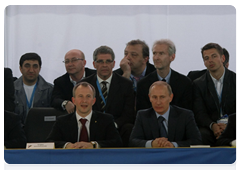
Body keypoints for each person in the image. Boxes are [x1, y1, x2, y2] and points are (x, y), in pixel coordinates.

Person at [79, 45, 135, 147]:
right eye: (100, 61)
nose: (104, 65)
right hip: (92, 125)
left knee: (129, 128)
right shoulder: (84, 84)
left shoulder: (126, 84)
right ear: (94, 64)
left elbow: (129, 114)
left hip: (117, 127)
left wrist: (112, 125)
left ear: (113, 64)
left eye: (108, 61)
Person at [47, 82, 122, 148]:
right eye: (80, 96)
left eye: (88, 96)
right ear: (74, 100)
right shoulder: (62, 121)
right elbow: (49, 142)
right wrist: (67, 145)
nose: (84, 101)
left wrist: (94, 145)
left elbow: (117, 142)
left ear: (93, 101)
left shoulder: (106, 120)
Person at [129, 81, 202, 147]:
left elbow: (196, 141)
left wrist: (174, 145)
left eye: (162, 97)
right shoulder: (142, 115)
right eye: (154, 97)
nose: (158, 102)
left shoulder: (185, 115)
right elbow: (133, 141)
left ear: (170, 97)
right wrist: (151, 144)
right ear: (149, 98)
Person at [193, 43, 238, 146]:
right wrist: (213, 125)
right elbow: (199, 112)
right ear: (204, 62)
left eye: (214, 56)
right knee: (201, 135)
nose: (210, 61)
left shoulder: (237, 81)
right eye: (206, 58)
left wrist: (229, 125)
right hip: (211, 127)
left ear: (222, 58)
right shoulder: (198, 84)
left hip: (233, 125)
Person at [136, 39, 192, 111]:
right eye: (154, 53)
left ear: (172, 57)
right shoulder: (143, 84)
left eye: (161, 53)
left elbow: (187, 113)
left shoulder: (185, 83)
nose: (156, 58)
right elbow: (142, 115)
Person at [51, 49, 96, 113]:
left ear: (84, 62)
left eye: (74, 60)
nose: (70, 64)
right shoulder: (60, 82)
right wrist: (65, 103)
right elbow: (54, 100)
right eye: (67, 61)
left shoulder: (95, 76)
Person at [14, 53, 53, 124]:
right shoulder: (10, 90)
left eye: (35, 66)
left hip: (42, 132)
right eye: (27, 66)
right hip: (15, 132)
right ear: (20, 69)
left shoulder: (50, 90)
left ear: (40, 69)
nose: (31, 70)